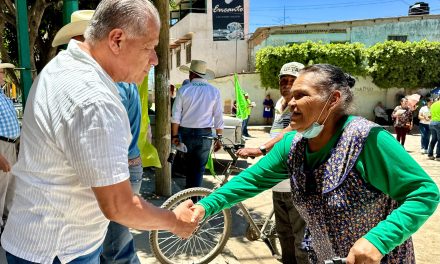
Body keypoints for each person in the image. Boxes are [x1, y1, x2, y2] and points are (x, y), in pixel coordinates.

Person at [1, 1, 197, 263]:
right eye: (148, 47)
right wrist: (174, 221)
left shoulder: (61, 66)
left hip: (37, 237)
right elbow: (119, 205)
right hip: (60, 249)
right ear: (116, 40)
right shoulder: (95, 100)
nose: (154, 59)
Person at [190, 64, 439, 264]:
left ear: (333, 99)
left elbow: (424, 192)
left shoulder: (368, 140)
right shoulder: (293, 144)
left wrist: (379, 240)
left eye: (301, 95)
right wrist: (204, 208)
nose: (291, 102)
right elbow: (252, 179)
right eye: (290, 95)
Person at [52, 10, 145, 263]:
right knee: (113, 245)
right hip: (128, 162)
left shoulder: (102, 83)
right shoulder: (119, 78)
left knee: (115, 250)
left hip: (115, 168)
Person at [236, 62, 309, 264]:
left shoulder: (304, 108)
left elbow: (291, 133)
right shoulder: (279, 106)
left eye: (292, 81)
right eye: (283, 81)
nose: (286, 85)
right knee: (286, 239)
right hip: (279, 186)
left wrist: (260, 149)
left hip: (297, 187)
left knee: (302, 245)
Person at [171, 59, 224, 189]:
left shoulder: (183, 90)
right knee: (198, 170)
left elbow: (176, 117)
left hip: (186, 134)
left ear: (192, 74)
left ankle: (190, 198)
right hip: (205, 134)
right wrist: (219, 138)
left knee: (188, 169)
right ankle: (194, 198)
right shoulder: (214, 91)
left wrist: (175, 137)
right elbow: (218, 117)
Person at [0, 62, 19, 236]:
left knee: (10, 188)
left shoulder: (3, 95)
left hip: (10, 145)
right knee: (1, 189)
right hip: (2, 147)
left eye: (2, 72)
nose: (2, 75)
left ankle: (7, 226)